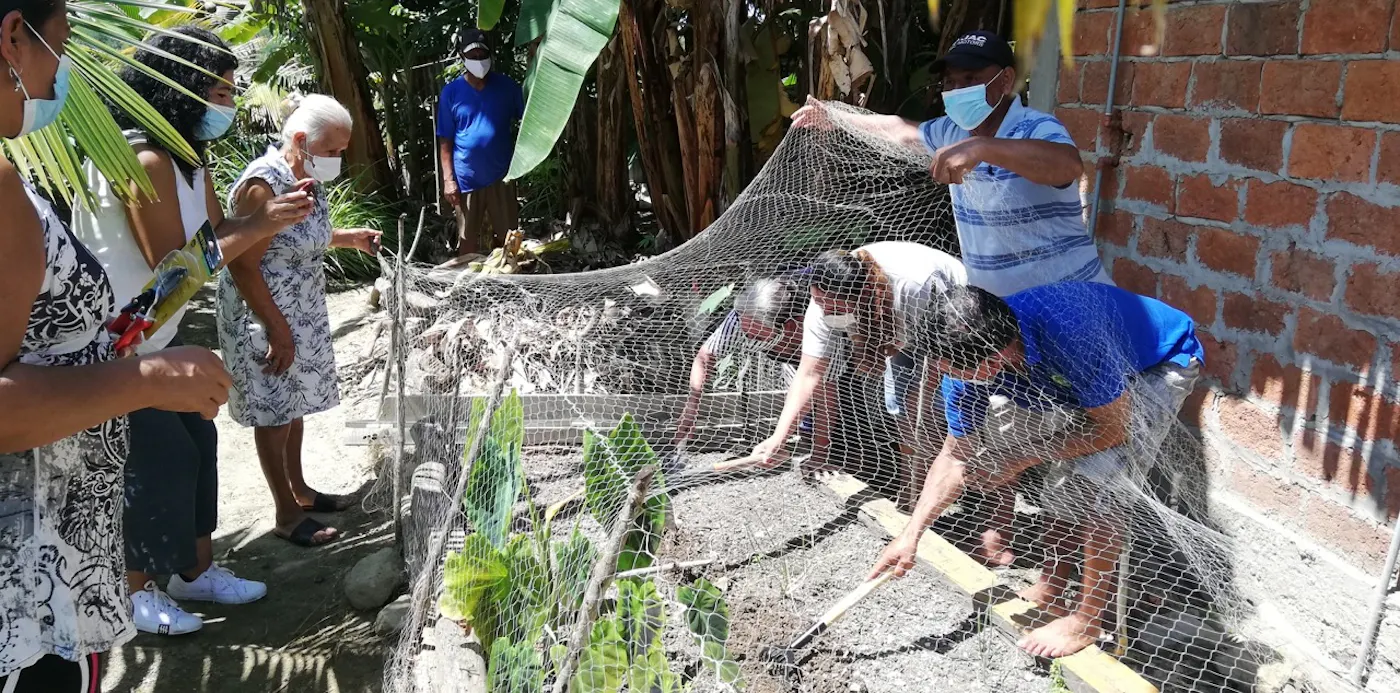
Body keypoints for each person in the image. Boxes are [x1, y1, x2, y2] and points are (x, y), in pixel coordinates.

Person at [0, 1, 232, 688]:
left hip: (54, 576)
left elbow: (63, 337)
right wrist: (149, 378)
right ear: (14, 35)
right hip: (27, 589)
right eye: (61, 44)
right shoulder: (15, 185)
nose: (60, 72)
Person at [72, 26, 317, 636]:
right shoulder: (144, 160)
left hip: (161, 337)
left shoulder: (188, 161)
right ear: (180, 89)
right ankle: (132, 592)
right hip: (118, 346)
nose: (229, 102)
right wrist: (258, 222)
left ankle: (194, 571)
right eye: (220, 88)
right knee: (152, 460)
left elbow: (220, 235)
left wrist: (269, 220)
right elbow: (172, 270)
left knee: (197, 445)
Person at [868, 282, 1204, 658]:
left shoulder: (1068, 333)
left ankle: (1086, 621)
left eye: (954, 370)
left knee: (1101, 484)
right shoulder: (964, 361)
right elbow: (954, 457)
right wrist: (910, 535)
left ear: (994, 361)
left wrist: (1020, 458)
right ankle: (1053, 587)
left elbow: (1113, 430)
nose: (948, 377)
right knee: (1059, 486)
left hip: (1156, 363)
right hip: (1084, 371)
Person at [791, 30, 1108, 298]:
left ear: (1006, 80)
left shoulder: (1037, 127)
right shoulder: (950, 131)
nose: (957, 91)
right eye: (951, 82)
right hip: (1003, 311)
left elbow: (1068, 166)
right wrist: (836, 118)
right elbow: (900, 130)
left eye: (971, 79)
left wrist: (983, 147)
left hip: (1071, 300)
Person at [217, 94, 381, 548]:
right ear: (303, 140)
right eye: (332, 150)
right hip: (263, 312)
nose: (337, 159)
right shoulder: (263, 186)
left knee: (294, 406)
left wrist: (352, 239)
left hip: (297, 310)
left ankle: (301, 492)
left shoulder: (303, 176)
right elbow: (242, 264)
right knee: (274, 411)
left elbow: (303, 237)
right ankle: (286, 515)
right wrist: (277, 326)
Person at [750, 242, 967, 502]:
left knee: (927, 407)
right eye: (819, 301)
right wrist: (779, 437)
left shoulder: (912, 285)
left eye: (834, 308)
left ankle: (947, 486)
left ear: (860, 296)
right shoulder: (822, 303)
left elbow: (940, 348)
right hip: (902, 330)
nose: (825, 312)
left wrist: (921, 395)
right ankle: (914, 488)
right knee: (899, 407)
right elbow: (809, 374)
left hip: (953, 324)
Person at [673, 277, 824, 465]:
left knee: (839, 422)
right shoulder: (739, 321)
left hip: (841, 364)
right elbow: (705, 358)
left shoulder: (817, 323)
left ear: (790, 325)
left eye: (756, 334)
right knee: (806, 424)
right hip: (795, 366)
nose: (748, 337)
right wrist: (692, 405)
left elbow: (824, 385)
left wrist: (820, 453)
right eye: (746, 332)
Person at [436, 28, 524, 259]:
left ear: (491, 56)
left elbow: (529, 119)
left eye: (482, 55)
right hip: (466, 178)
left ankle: (510, 283)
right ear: (463, 58)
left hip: (502, 175)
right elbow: (445, 139)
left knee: (508, 237)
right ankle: (469, 288)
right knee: (467, 239)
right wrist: (448, 180)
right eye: (473, 56)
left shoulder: (507, 88)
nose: (478, 61)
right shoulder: (451, 93)